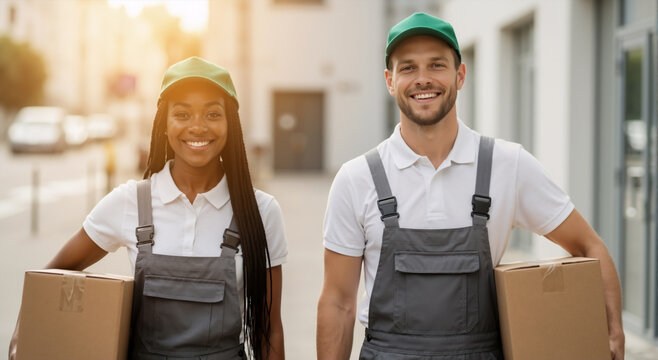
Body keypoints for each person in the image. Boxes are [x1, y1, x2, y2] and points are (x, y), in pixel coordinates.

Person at [316, 12, 624, 360]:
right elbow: (338, 304)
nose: (422, 79)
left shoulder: (508, 165)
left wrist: (612, 334)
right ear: (389, 80)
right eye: (408, 68)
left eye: (436, 65)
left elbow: (590, 246)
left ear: (460, 75)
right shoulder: (356, 179)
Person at [9, 57, 287, 360]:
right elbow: (50, 276)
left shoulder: (260, 211)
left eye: (212, 114)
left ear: (230, 124)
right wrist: (22, 336)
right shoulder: (129, 203)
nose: (197, 126)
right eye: (182, 113)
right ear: (163, 124)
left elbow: (269, 328)